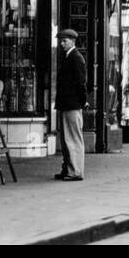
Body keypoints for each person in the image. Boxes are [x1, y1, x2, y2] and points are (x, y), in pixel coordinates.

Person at [55, 28, 87, 181]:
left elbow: (81, 83)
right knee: (66, 139)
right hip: (67, 103)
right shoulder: (69, 57)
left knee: (73, 138)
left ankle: (75, 171)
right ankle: (68, 168)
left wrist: (81, 102)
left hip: (72, 104)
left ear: (72, 41)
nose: (62, 44)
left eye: (64, 41)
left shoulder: (76, 58)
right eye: (61, 41)